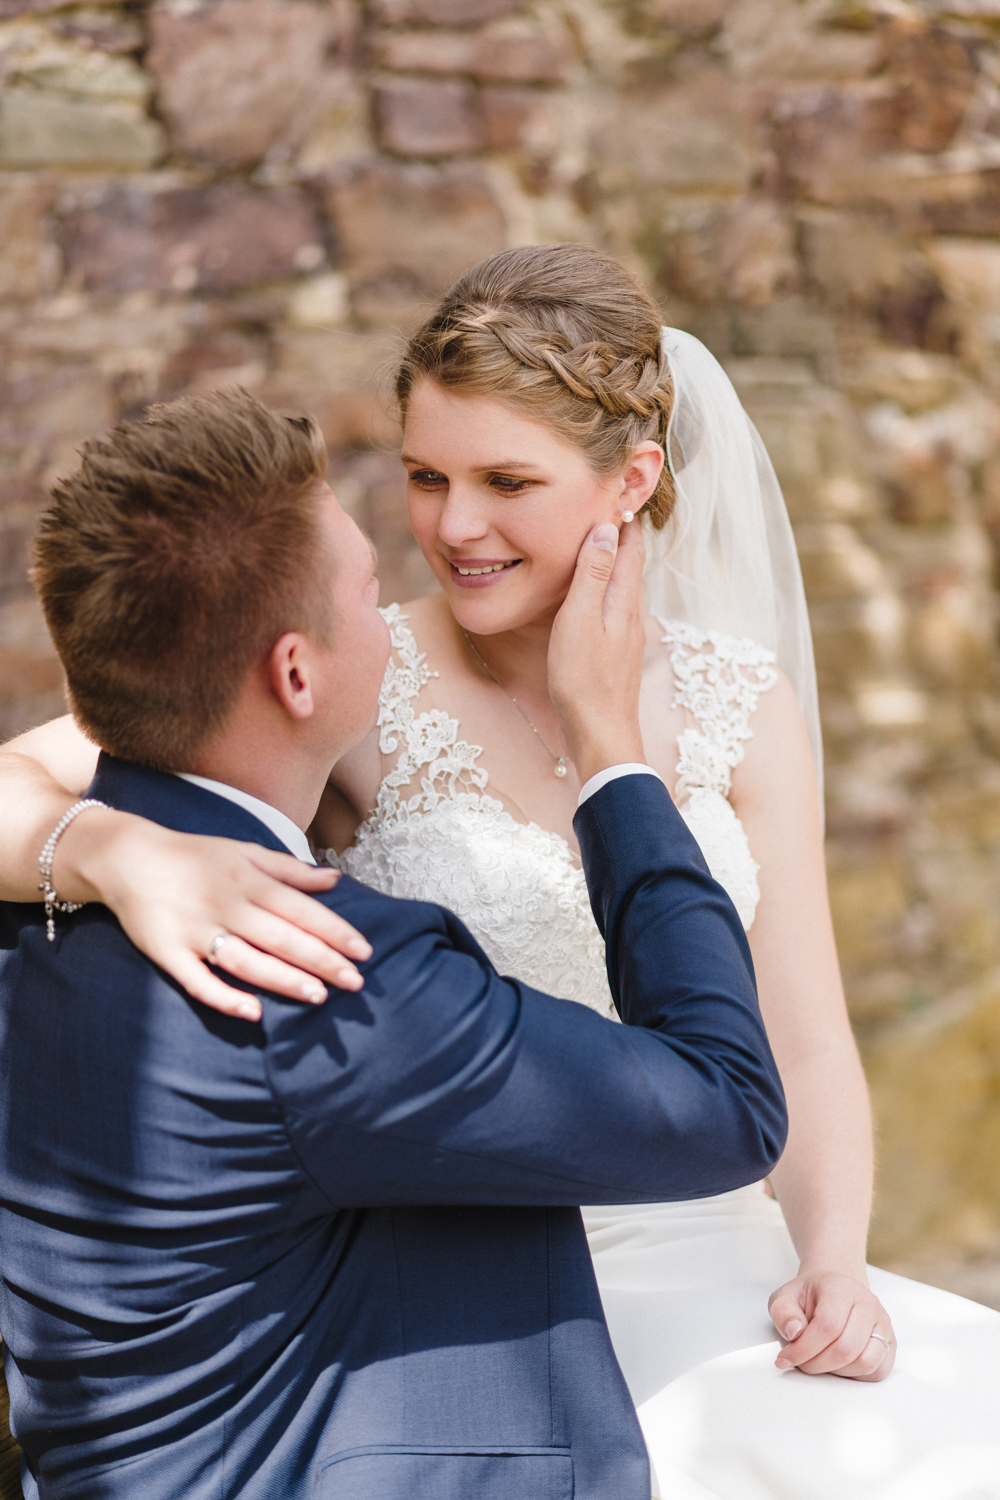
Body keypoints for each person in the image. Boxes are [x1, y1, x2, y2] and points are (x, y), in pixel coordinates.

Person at [4, 247, 1000, 1496]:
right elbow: (34, 778)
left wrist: (833, 1261)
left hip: (722, 1243)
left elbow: (798, 1042)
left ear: (631, 482)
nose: (452, 527)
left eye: (506, 482)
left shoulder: (738, 703)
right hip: (478, 1296)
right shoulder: (353, 670)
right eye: (426, 476)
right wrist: (106, 846)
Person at [0, 388, 788, 1500]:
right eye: (370, 595)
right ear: (294, 672)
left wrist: (96, 844)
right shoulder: (332, 980)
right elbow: (727, 1106)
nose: (400, 612)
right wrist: (613, 754)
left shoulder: (38, 903)